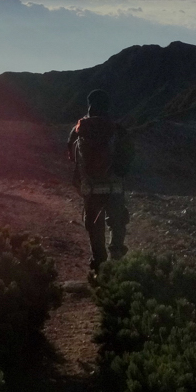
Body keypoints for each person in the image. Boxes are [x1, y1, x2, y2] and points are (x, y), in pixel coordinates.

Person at [67, 89, 131, 276]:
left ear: (89, 104)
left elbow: (71, 155)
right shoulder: (116, 128)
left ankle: (99, 265)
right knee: (117, 220)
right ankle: (117, 257)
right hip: (114, 185)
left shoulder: (79, 129)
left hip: (90, 186)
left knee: (94, 225)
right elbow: (128, 155)